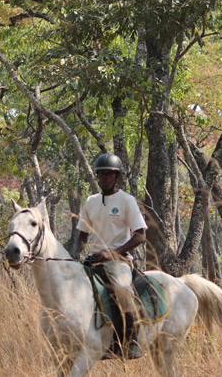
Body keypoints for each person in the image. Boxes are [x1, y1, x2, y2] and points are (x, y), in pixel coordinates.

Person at [70, 152, 147, 359]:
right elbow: (82, 236)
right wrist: (73, 255)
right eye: (101, 174)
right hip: (93, 261)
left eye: (109, 174)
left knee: (122, 290)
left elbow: (140, 236)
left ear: (117, 176)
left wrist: (111, 253)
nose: (105, 178)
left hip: (118, 261)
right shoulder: (90, 202)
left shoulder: (126, 201)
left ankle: (131, 341)